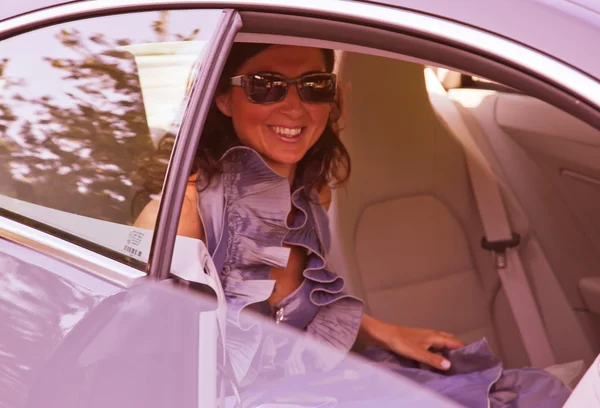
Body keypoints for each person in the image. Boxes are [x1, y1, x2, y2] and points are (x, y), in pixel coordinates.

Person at [134, 42, 571, 407]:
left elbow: (295, 319)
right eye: (264, 86)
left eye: (313, 87)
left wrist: (385, 332)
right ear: (223, 98)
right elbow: (162, 380)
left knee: (540, 393)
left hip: (325, 386)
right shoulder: (181, 219)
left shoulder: (310, 196)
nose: (294, 107)